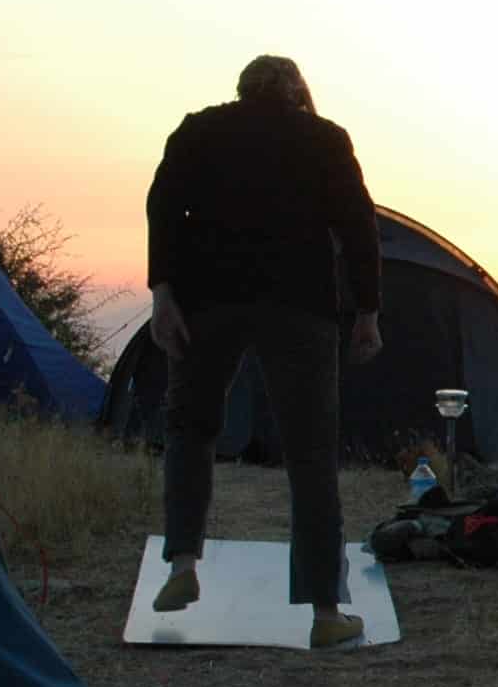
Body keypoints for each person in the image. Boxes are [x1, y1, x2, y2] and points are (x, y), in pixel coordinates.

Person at [144, 55, 383, 649]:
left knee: (190, 428)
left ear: (242, 90)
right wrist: (367, 312)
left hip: (206, 303)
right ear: (298, 92)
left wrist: (162, 293)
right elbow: (358, 226)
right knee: (310, 454)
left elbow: (163, 211)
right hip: (299, 306)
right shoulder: (324, 139)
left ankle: (182, 565)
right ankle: (326, 612)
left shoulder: (198, 130)